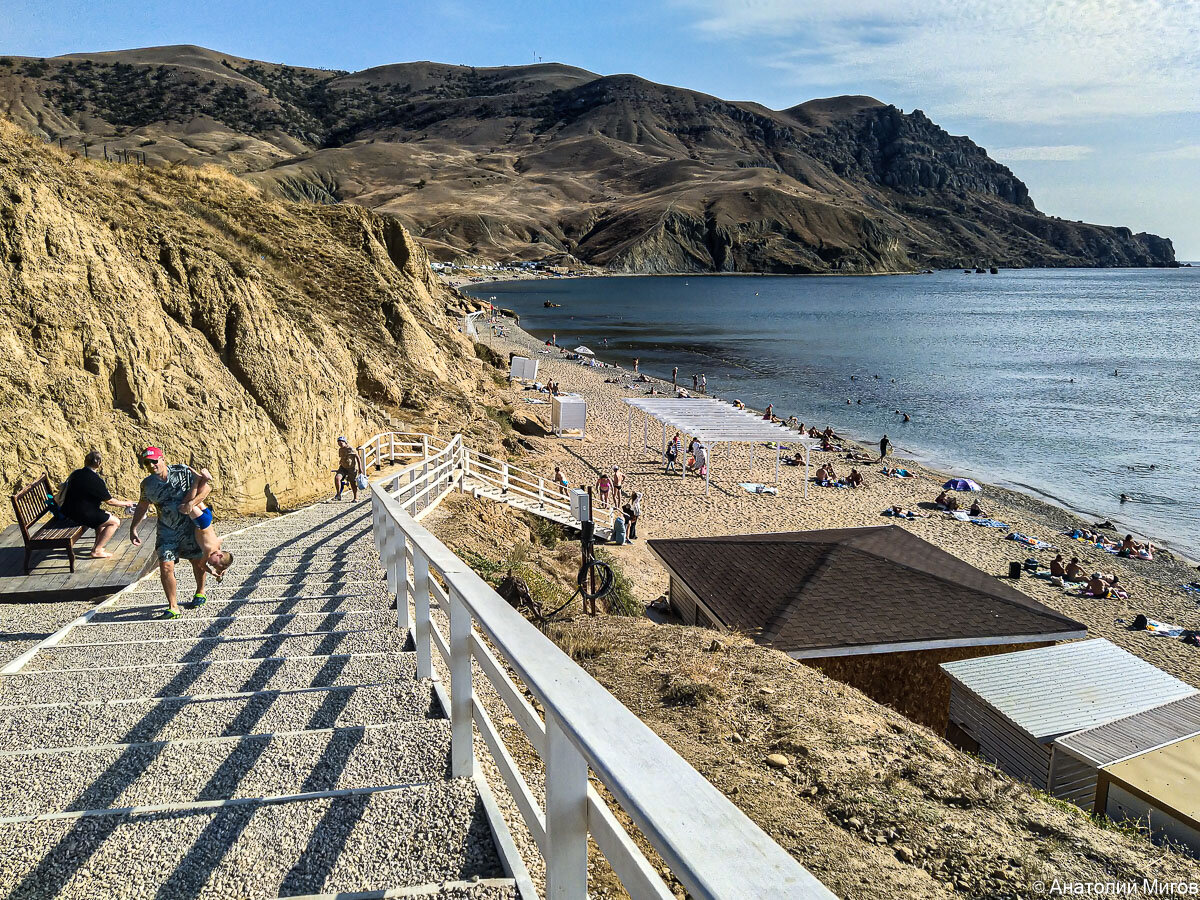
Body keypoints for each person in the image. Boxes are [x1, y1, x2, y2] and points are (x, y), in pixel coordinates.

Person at [129, 447, 211, 618]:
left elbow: (206, 488)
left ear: (162, 459)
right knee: (166, 566)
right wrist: (133, 527)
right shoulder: (147, 485)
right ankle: (173, 607)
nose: (151, 466)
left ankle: (200, 591)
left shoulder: (183, 471)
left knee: (196, 561)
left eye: (154, 461)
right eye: (147, 463)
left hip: (189, 527)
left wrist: (191, 504)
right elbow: (143, 506)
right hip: (167, 530)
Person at [59, 450, 137, 559]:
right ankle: (97, 550)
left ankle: (97, 545)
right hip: (80, 514)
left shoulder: (76, 473)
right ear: (99, 464)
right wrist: (126, 503)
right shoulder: (95, 480)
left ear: (85, 461)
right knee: (115, 522)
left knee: (103, 517)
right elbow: (110, 501)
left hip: (69, 510)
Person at [178, 468, 235, 581]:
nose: (211, 564)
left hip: (208, 518)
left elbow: (222, 548)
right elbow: (201, 565)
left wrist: (221, 569)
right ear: (219, 555)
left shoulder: (218, 546)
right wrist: (213, 572)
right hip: (202, 523)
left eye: (213, 565)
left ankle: (204, 481)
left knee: (197, 498)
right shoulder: (208, 552)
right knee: (185, 506)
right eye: (214, 563)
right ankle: (197, 480)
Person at [333, 436, 361, 501]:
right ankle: (338, 494)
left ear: (345, 442)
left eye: (341, 443)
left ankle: (355, 497)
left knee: (352, 482)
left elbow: (358, 457)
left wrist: (360, 468)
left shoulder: (351, 449)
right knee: (337, 478)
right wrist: (341, 461)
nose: (340, 444)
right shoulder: (340, 450)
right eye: (338, 443)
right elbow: (342, 457)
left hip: (351, 468)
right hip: (343, 467)